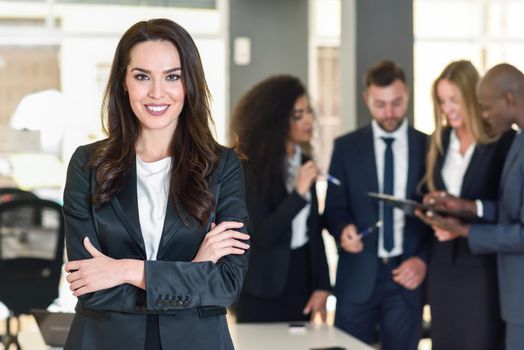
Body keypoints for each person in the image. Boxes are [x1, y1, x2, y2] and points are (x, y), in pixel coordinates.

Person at [62, 18, 250, 350]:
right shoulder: (88, 164)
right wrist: (193, 271)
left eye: (172, 76)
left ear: (188, 83)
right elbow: (89, 286)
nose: (157, 92)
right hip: (103, 342)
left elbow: (226, 284)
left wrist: (125, 270)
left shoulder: (222, 167)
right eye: (142, 76)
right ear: (123, 82)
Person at [323, 60, 431, 350]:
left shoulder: (429, 147)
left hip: (406, 278)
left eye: (396, 103)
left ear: (407, 94)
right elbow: (333, 208)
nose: (389, 113)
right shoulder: (346, 147)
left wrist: (422, 260)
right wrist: (343, 230)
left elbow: (436, 216)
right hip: (357, 277)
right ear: (366, 99)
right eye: (380, 104)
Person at [416, 63, 524, 350]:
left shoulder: (504, 141)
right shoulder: (439, 142)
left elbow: (514, 220)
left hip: (487, 274)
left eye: (455, 100)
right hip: (445, 270)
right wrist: (451, 208)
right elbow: (506, 209)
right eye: (442, 101)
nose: (448, 108)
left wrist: (463, 228)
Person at [231, 75, 331, 323]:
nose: (308, 120)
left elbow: (314, 230)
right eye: (298, 115)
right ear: (275, 121)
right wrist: (297, 194)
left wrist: (322, 285)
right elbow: (263, 233)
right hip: (261, 283)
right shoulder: (248, 168)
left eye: (308, 111)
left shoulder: (305, 163)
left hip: (301, 279)